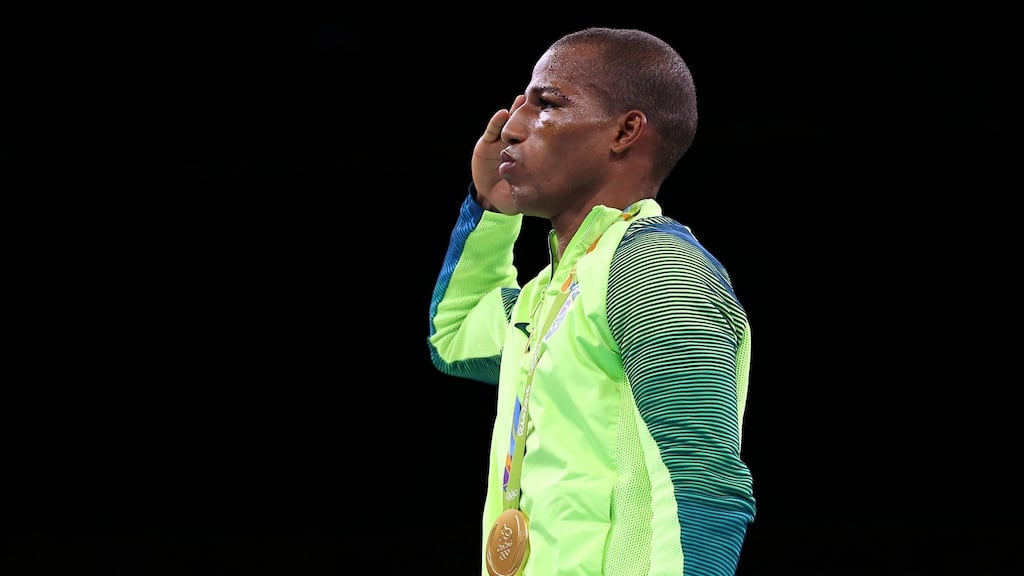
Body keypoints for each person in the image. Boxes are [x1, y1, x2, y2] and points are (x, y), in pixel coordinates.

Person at [427, 27, 755, 576]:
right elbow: (454, 339)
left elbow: (703, 479)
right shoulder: (549, 294)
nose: (510, 126)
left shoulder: (653, 268)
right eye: (518, 106)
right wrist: (488, 210)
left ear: (626, 131)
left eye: (548, 103)